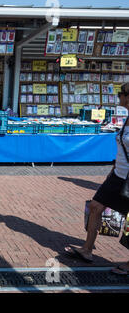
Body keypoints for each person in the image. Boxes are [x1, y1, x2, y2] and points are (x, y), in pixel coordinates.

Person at [64, 82, 129, 275]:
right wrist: (114, 168)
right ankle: (87, 249)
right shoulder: (127, 119)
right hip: (118, 175)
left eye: (121, 95)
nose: (119, 99)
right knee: (95, 207)